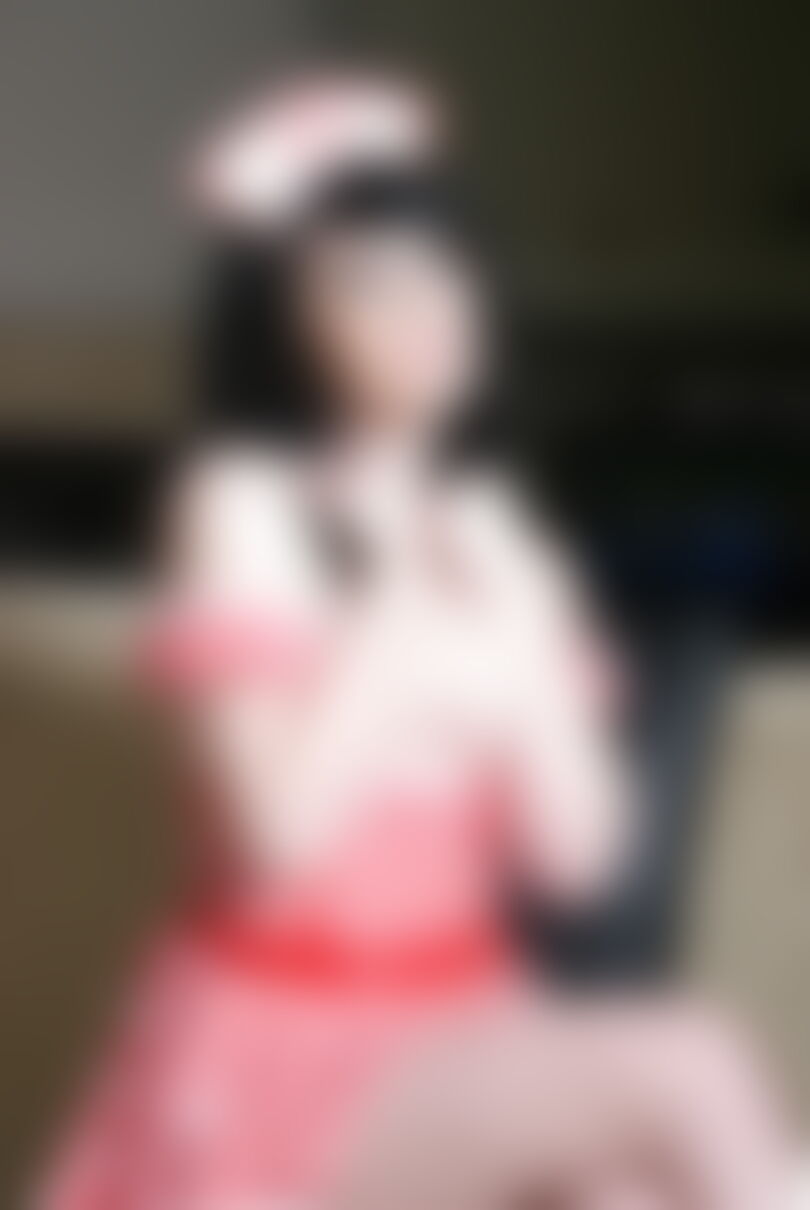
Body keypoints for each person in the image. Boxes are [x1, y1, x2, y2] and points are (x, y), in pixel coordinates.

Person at [36, 72, 796, 1210]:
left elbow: (582, 861)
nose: (430, 312)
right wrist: (394, 634)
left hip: (465, 1015)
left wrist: (524, 654)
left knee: (632, 1190)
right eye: (372, 284)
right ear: (286, 322)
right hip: (282, 1050)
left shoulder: (496, 530)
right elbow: (276, 847)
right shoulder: (244, 505)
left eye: (447, 271)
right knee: (689, 1061)